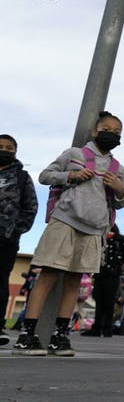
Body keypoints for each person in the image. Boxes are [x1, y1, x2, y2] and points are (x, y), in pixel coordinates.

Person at [13, 111, 124, 357]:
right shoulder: (74, 154)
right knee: (48, 275)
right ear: (95, 131)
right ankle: (26, 335)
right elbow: (45, 176)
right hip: (65, 222)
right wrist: (71, 176)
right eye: (107, 129)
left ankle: (60, 336)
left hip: (94, 229)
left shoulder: (118, 168)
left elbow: (120, 202)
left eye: (117, 133)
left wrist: (119, 190)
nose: (112, 135)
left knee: (74, 281)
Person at [0, 133, 38, 345]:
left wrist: (15, 230)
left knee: (0, 283)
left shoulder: (22, 177)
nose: (4, 150)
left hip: (5, 239)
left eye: (9, 147)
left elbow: (30, 207)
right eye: (1, 146)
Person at [82, 225, 124, 337]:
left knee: (109, 303)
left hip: (112, 276)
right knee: (99, 303)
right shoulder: (100, 240)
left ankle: (107, 328)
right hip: (99, 275)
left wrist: (117, 237)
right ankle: (97, 328)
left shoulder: (118, 242)